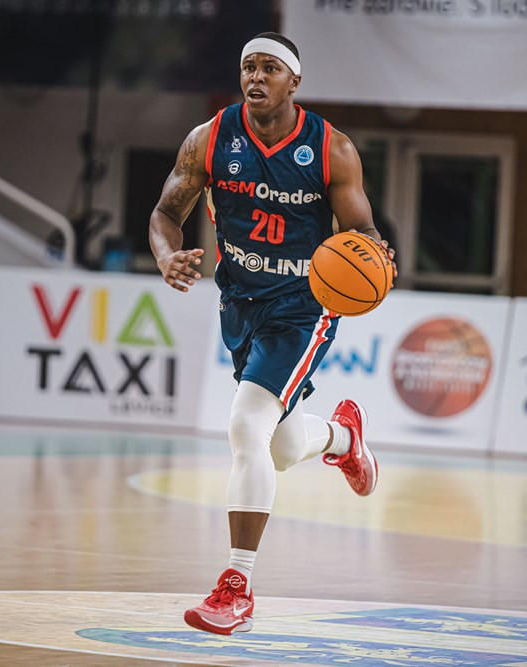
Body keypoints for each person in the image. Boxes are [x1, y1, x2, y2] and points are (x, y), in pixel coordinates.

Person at [148, 32, 395, 636]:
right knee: (280, 450)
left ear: (294, 81)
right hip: (240, 301)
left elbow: (363, 232)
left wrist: (374, 256)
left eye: (269, 68)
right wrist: (166, 255)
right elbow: (165, 214)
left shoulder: (332, 149)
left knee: (245, 426)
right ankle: (343, 437)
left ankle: (236, 588)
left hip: (303, 307)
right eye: (248, 67)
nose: (255, 77)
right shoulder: (209, 139)